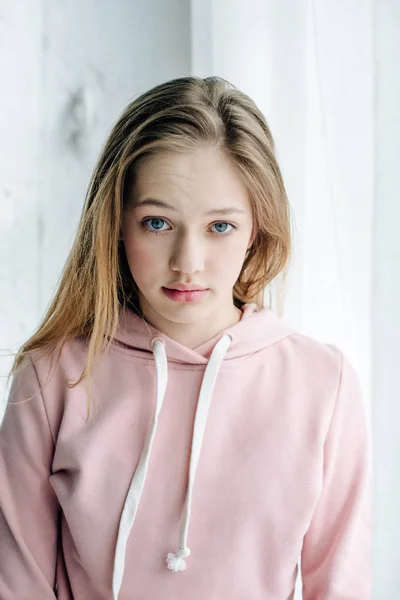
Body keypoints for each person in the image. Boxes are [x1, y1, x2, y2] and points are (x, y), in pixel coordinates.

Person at [0, 75, 371, 599]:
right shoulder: (51, 379)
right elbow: (18, 586)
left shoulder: (323, 385)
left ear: (257, 229)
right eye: (157, 223)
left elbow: (340, 587)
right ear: (116, 225)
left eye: (219, 226)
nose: (187, 263)